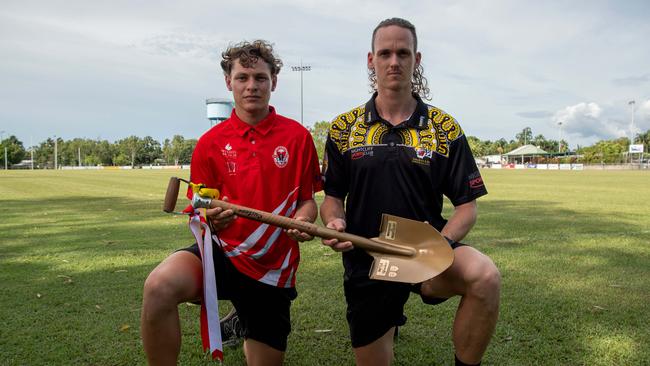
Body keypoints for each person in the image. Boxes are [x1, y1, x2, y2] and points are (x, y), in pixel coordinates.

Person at [320, 18, 501, 366]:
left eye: (403, 53)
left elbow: (466, 208)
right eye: (384, 53)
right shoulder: (344, 128)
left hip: (426, 254)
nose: (394, 61)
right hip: (369, 257)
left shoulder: (444, 127)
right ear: (370, 60)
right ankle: (386, 322)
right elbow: (332, 199)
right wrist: (335, 224)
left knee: (485, 276)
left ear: (417, 59)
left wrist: (438, 245)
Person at [141, 40, 322, 366]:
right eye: (242, 78)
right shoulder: (209, 144)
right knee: (158, 286)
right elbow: (200, 207)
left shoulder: (298, 137)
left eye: (260, 78)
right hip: (222, 256)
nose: (251, 85)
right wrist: (211, 217)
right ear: (229, 82)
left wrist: (305, 219)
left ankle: (245, 317)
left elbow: (308, 200)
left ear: (274, 82)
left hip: (272, 268)